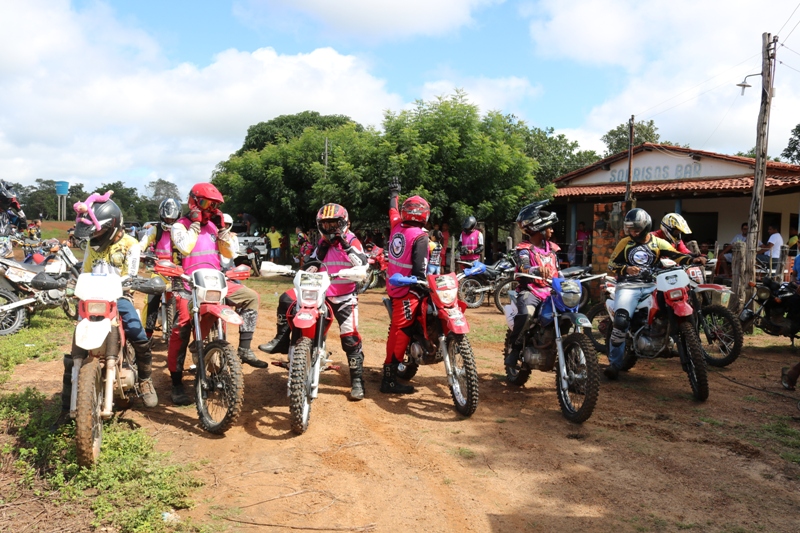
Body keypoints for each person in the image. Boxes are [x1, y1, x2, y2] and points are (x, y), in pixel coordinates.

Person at [52, 192, 158, 430]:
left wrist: (133, 284)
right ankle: (65, 408)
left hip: (119, 295)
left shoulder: (131, 244)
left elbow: (130, 274)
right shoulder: (91, 243)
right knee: (76, 348)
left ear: (112, 225)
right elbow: (86, 269)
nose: (94, 235)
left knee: (136, 331)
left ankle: (144, 380)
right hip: (93, 296)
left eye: (98, 231)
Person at [168, 184, 267, 406]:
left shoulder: (214, 228)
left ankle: (244, 348)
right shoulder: (179, 226)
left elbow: (230, 253)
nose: (210, 210)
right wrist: (194, 224)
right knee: (181, 327)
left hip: (215, 282)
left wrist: (222, 231)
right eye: (205, 204)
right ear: (192, 202)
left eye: (214, 206)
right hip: (188, 284)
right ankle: (176, 383)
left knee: (251, 297)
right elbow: (185, 248)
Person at [258, 203, 369, 400]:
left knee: (349, 337)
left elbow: (361, 264)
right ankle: (282, 340)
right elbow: (310, 266)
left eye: (334, 224)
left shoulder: (352, 240)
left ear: (344, 224)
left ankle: (357, 381)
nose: (330, 229)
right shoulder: (322, 244)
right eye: (325, 225)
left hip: (344, 297)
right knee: (287, 300)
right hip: (321, 294)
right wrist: (316, 257)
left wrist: (343, 243)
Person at [605, 209, 706, 380]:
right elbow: (611, 264)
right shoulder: (625, 243)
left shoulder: (658, 243)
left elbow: (678, 256)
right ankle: (614, 364)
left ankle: (668, 339)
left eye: (636, 229)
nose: (633, 232)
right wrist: (626, 269)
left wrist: (693, 259)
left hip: (653, 286)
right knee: (621, 321)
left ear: (645, 227)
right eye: (630, 229)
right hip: (628, 287)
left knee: (668, 308)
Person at [384, 177, 429, 394]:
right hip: (407, 290)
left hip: (393, 286)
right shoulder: (420, 237)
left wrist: (394, 193)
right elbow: (421, 271)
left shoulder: (396, 226)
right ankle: (389, 380)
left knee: (397, 329)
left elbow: (392, 209)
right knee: (400, 331)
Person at [504, 201, 560, 368]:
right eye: (549, 227)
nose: (552, 230)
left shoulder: (553, 249)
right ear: (539, 228)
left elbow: (558, 270)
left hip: (552, 291)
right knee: (527, 315)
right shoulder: (524, 249)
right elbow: (524, 267)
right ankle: (515, 349)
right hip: (531, 291)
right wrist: (537, 270)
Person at [139, 197, 182, 339]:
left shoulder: (182, 231)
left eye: (172, 219)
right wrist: (139, 252)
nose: (169, 221)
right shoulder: (154, 230)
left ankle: (185, 331)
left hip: (178, 273)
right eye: (166, 218)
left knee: (186, 302)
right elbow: (142, 243)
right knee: (150, 299)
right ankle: (147, 332)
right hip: (158, 272)